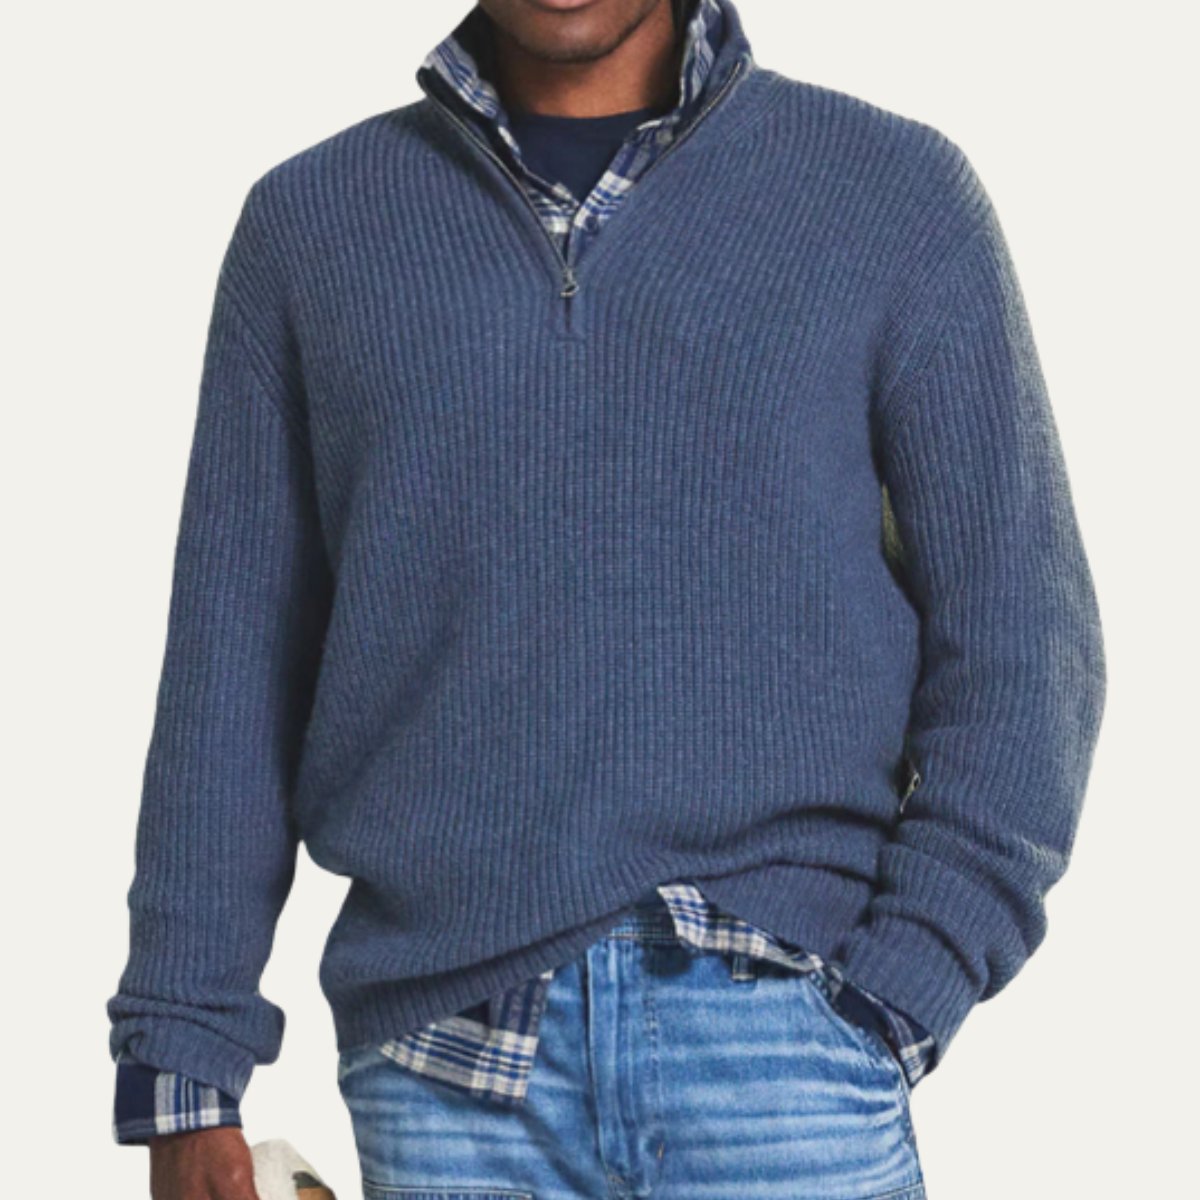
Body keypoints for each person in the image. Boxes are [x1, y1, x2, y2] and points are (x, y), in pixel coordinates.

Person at [106, 0, 1108, 1196]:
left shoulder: (894, 196)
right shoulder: (311, 226)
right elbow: (231, 669)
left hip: (785, 1049)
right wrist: (184, 1071)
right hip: (447, 1070)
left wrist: (899, 991)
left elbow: (1025, 644)